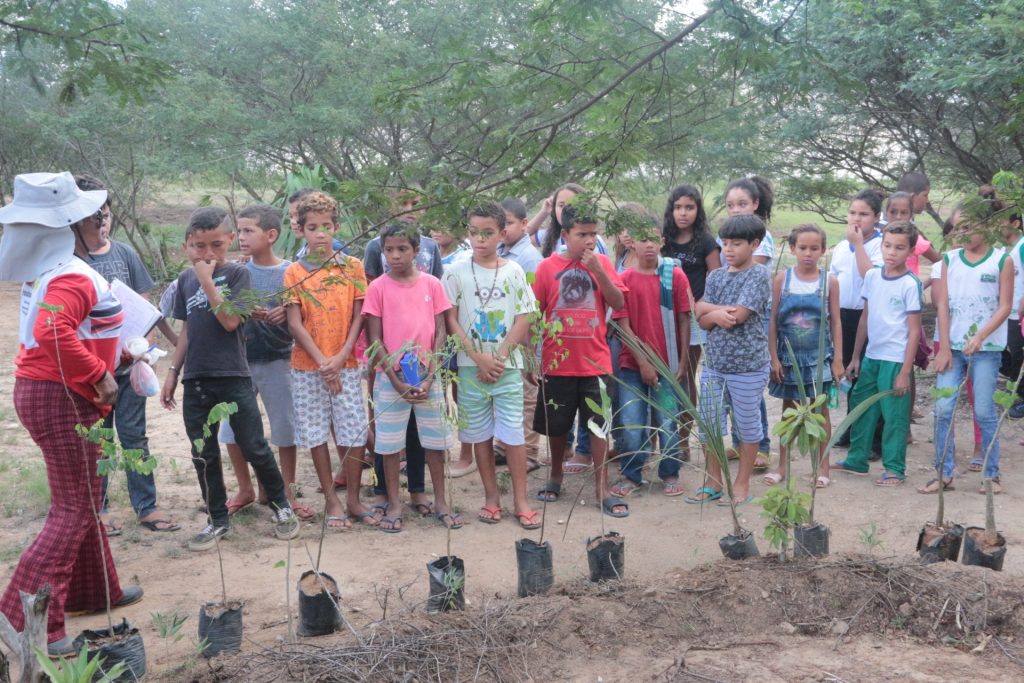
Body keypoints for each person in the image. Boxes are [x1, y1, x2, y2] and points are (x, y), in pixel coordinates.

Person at [0, 171, 142, 656]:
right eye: (93, 216)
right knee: (75, 508)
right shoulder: (71, 274)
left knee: (82, 496)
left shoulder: (53, 270)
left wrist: (114, 358)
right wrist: (99, 376)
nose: (101, 221)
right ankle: (24, 621)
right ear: (68, 226)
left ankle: (94, 591)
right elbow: (53, 331)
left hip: (47, 391)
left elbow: (71, 331)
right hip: (64, 396)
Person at [160, 207, 299, 551]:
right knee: (203, 452)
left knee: (253, 445)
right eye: (199, 246)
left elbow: (231, 322)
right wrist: (173, 373)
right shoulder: (183, 280)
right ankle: (217, 519)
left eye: (216, 245)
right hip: (196, 378)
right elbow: (187, 331)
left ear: (230, 241)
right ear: (186, 245)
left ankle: (282, 506)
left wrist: (208, 281)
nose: (208, 254)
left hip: (233, 375)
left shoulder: (237, 275)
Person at [72, 175, 180, 535]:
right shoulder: (70, 261)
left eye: (106, 214)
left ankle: (146, 506)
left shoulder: (124, 254)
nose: (103, 222)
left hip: (128, 365)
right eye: (95, 216)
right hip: (90, 370)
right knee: (98, 440)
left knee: (134, 435)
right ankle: (97, 511)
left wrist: (140, 348)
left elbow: (144, 306)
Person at [442, 202, 541, 529]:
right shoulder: (455, 271)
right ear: (467, 233)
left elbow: (525, 315)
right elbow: (451, 319)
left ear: (502, 233)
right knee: (479, 434)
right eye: (474, 232)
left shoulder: (513, 271)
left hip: (507, 368)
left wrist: (499, 357)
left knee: (513, 436)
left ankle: (521, 501)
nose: (480, 239)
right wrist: (478, 357)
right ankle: (490, 498)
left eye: (488, 233)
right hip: (471, 369)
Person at [531, 202, 629, 517]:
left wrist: (599, 271)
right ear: (565, 234)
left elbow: (618, 301)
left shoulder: (602, 263)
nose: (588, 240)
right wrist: (534, 359)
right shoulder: (547, 268)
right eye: (581, 234)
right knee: (557, 426)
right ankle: (556, 474)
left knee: (598, 426)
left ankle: (602, 487)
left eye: (593, 234)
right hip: (557, 361)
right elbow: (535, 314)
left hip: (596, 360)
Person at [283, 192, 373, 529]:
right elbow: (294, 323)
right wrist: (323, 363)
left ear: (336, 227)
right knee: (316, 433)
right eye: (312, 227)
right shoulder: (294, 272)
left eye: (326, 226)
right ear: (301, 231)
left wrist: (340, 357)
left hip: (346, 364)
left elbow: (358, 316)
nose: (320, 233)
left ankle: (353, 498)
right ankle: (331, 500)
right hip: (308, 367)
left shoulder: (352, 267)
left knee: (353, 431)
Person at [362, 222, 458, 532]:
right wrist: (395, 379)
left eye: (402, 249)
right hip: (393, 377)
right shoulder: (377, 287)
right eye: (389, 250)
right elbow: (375, 339)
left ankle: (440, 499)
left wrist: (431, 376)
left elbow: (441, 329)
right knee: (389, 444)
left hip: (427, 375)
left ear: (417, 251)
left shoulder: (431, 284)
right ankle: (393, 501)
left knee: (435, 440)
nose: (395, 256)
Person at [215, 204, 307, 520]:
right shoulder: (236, 270)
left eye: (248, 230)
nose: (241, 237)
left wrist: (287, 313)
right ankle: (245, 488)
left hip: (279, 359)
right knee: (229, 430)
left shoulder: (291, 272)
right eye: (239, 231)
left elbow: (305, 313)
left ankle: (287, 490)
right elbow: (224, 311)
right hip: (238, 362)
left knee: (285, 427)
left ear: (271, 235)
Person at [923, 191, 1014, 493]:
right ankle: (943, 472)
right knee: (943, 408)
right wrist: (945, 348)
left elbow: (1004, 307)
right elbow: (943, 305)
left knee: (985, 411)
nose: (962, 233)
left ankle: (991, 474)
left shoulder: (1002, 261)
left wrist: (980, 336)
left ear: (987, 225)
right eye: (958, 227)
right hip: (953, 348)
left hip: (986, 349)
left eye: (969, 226)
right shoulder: (949, 260)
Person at [687, 214, 771, 506]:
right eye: (725, 243)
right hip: (714, 365)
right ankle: (713, 481)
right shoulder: (716, 276)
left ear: (755, 244)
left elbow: (739, 316)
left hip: (748, 367)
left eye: (737, 243)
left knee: (747, 427)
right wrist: (714, 313)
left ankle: (742, 483)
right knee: (709, 425)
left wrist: (712, 312)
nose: (729, 250)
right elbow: (700, 316)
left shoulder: (758, 274)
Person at [832, 221, 922, 485]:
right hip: (871, 356)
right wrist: (856, 356)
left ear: (911, 251)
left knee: (894, 415)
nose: (891, 252)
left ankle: (895, 469)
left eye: (899, 247)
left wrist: (905, 371)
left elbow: (914, 331)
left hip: (895, 361)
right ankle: (856, 459)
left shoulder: (910, 283)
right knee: (861, 406)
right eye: (887, 245)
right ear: (881, 245)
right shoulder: (872, 276)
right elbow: (865, 319)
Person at [610, 213, 691, 498]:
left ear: (662, 242)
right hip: (632, 366)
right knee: (632, 425)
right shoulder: (624, 279)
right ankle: (631, 474)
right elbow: (622, 325)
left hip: (668, 365)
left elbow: (684, 318)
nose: (648, 245)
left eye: (653, 239)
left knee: (669, 422)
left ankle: (669, 473)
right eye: (642, 239)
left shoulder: (674, 275)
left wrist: (682, 361)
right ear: (631, 243)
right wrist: (643, 362)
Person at [766, 224, 843, 488]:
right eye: (802, 248)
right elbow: (773, 321)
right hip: (789, 360)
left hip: (819, 357)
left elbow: (835, 323)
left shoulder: (829, 281)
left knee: (821, 411)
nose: (808, 253)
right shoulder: (782, 280)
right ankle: (782, 466)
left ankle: (822, 467)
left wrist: (838, 359)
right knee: (789, 413)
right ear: (792, 249)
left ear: (823, 250)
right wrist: (773, 357)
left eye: (814, 248)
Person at [662, 184, 720, 461]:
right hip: (663, 315)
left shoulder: (706, 242)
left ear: (698, 210)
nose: (683, 213)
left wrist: (703, 305)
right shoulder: (663, 240)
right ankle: (662, 436)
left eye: (689, 207)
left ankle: (683, 439)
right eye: (678, 207)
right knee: (661, 375)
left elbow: (718, 278)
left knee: (685, 376)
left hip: (693, 319)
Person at [722, 177, 775, 469]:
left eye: (742, 203)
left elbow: (748, 273)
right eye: (731, 205)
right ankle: (740, 443)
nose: (736, 209)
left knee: (749, 386)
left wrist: (716, 307)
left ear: (755, 204)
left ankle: (761, 445)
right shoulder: (730, 236)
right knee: (730, 384)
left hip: (751, 314)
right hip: (728, 313)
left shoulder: (759, 237)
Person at [829, 189, 886, 447]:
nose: (857, 218)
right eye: (852, 212)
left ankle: (873, 438)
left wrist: (860, 244)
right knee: (847, 375)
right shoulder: (841, 246)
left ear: (876, 217)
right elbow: (833, 279)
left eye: (864, 214)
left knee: (866, 375)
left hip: (869, 317)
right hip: (842, 316)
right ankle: (851, 430)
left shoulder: (880, 244)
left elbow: (871, 278)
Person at [495, 198, 543, 466]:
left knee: (527, 396)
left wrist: (532, 349)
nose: (504, 229)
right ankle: (503, 447)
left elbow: (534, 307)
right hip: (506, 337)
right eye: (500, 224)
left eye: (509, 223)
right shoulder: (501, 250)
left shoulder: (529, 257)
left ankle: (529, 452)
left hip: (525, 339)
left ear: (525, 224)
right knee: (508, 394)